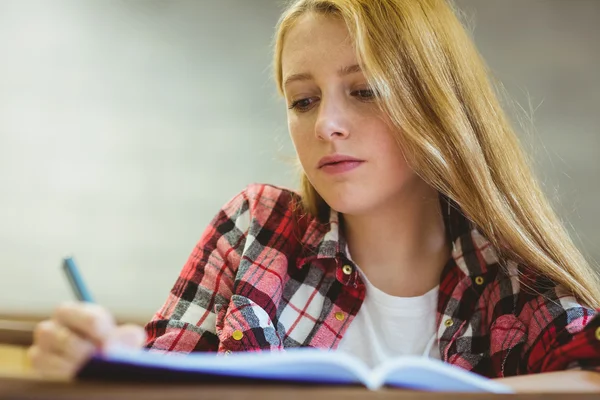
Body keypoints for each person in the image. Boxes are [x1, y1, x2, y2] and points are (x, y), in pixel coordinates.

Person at [28, 0, 600, 391]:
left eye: (365, 90)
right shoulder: (255, 230)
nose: (327, 124)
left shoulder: (513, 279)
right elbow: (165, 367)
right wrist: (114, 363)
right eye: (303, 101)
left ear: (437, 104)